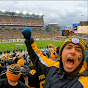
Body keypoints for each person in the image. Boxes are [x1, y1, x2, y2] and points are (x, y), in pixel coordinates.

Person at [21, 28, 88, 88]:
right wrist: (29, 41)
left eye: (78, 50)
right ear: (61, 53)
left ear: (82, 58)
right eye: (69, 47)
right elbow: (38, 58)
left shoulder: (84, 83)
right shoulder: (53, 67)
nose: (73, 52)